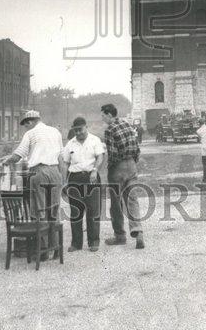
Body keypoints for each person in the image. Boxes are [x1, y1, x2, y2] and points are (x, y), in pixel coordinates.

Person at [2, 110, 63, 259]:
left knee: (39, 209)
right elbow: (61, 156)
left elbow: (18, 155)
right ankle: (55, 248)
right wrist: (61, 176)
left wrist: (7, 161)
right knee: (53, 209)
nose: (26, 128)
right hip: (55, 171)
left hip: (39, 172)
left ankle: (42, 250)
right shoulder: (55, 131)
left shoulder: (30, 134)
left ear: (30, 121)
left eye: (26, 125)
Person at [101, 103, 144, 249]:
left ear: (109, 114)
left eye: (103, 115)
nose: (102, 118)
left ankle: (120, 236)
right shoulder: (127, 124)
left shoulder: (109, 130)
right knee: (132, 200)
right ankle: (138, 233)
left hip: (117, 168)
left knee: (116, 203)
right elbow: (137, 147)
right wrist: (132, 162)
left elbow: (112, 154)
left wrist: (111, 170)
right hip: (131, 164)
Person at [60, 116, 105, 251]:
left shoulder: (95, 140)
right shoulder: (70, 144)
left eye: (80, 129)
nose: (78, 133)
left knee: (93, 210)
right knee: (76, 212)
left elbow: (100, 156)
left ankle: (93, 242)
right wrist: (65, 181)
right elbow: (66, 162)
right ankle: (76, 243)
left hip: (91, 178)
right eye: (76, 130)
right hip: (75, 179)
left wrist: (95, 171)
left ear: (86, 127)